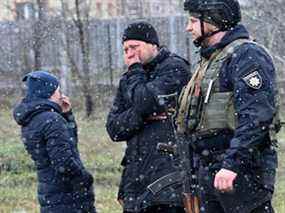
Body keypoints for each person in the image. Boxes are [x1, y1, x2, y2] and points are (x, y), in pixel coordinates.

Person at [175, 0, 279, 212]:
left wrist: (232, 164)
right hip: (212, 170)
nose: (188, 27)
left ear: (214, 20)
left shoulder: (246, 55)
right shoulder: (211, 60)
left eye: (194, 21)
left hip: (241, 172)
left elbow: (256, 117)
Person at [106, 21, 190, 213]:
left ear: (153, 45)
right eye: (126, 49)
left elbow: (144, 101)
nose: (130, 54)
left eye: (134, 47)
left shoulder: (174, 68)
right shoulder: (128, 78)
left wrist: (136, 75)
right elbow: (114, 129)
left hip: (168, 179)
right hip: (135, 179)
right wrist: (143, 114)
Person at [13, 71, 96, 213]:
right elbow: (64, 162)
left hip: (50, 193)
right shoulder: (52, 120)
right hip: (68, 196)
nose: (61, 96)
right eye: (58, 91)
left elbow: (68, 145)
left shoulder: (33, 118)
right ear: (49, 93)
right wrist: (84, 178)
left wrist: (67, 115)